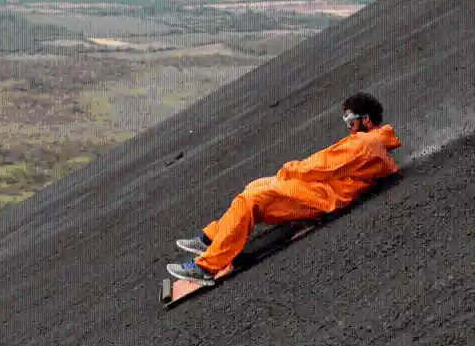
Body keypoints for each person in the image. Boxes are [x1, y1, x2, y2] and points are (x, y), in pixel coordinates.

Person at [166, 92, 402, 285]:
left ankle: (206, 267)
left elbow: (321, 166)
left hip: (324, 197)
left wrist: (289, 170)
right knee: (256, 186)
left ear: (367, 120)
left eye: (352, 122)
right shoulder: (373, 143)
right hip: (324, 189)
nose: (349, 127)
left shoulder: (364, 143)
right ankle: (213, 238)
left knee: (254, 199)